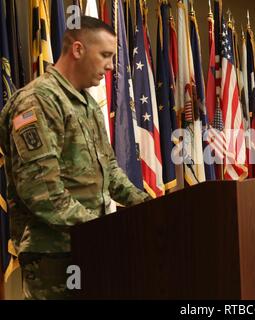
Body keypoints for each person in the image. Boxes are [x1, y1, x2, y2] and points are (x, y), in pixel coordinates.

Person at [0, 17, 151, 300]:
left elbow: (110, 170)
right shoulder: (37, 101)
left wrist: (151, 207)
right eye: (105, 55)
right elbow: (42, 192)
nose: (110, 66)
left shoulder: (86, 102)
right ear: (78, 50)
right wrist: (103, 232)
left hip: (87, 246)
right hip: (53, 256)